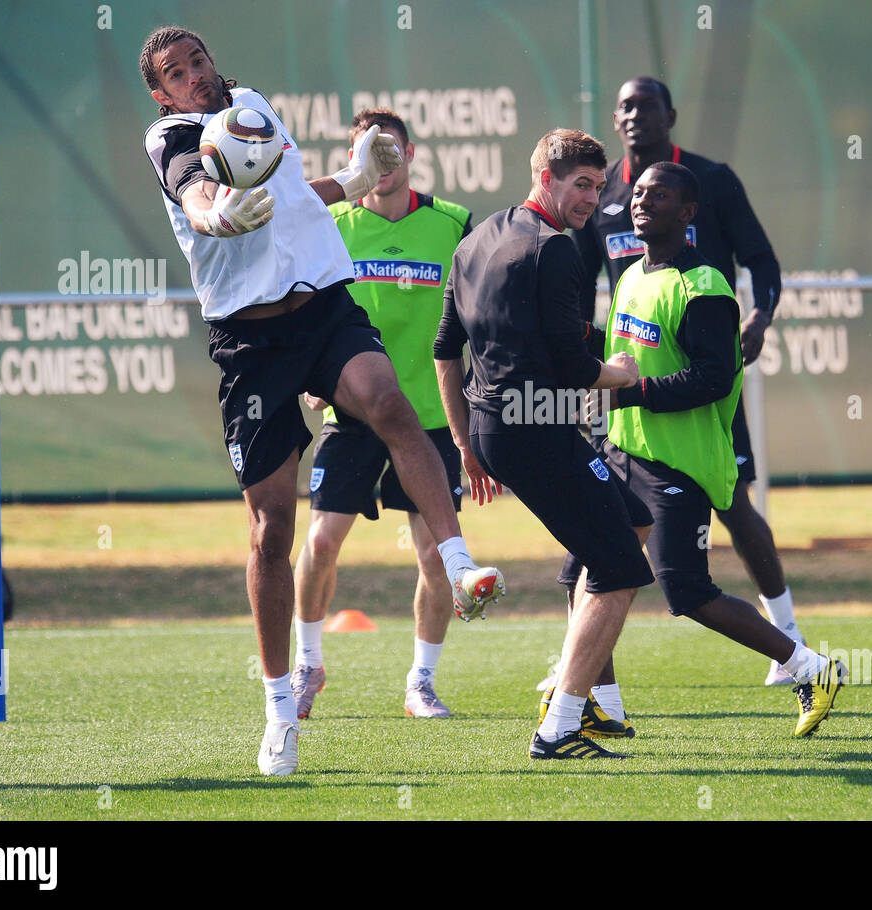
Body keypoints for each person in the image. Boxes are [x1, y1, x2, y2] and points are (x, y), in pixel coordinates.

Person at [139, 26, 503, 776]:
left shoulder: (251, 106)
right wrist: (215, 214)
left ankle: (462, 565)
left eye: (198, 60)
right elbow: (193, 185)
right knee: (274, 532)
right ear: (161, 91)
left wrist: (354, 179)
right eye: (176, 73)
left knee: (391, 403)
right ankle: (279, 712)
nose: (194, 77)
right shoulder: (171, 132)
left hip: (322, 310)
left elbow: (294, 202)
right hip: (249, 341)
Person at [553, 76, 803, 692]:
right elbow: (584, 287)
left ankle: (790, 639)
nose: (636, 116)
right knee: (594, 545)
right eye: (625, 107)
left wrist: (759, 317)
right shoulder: (607, 194)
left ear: (670, 114)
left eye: (648, 106)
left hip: (693, 387)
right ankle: (587, 682)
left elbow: (763, 262)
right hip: (625, 393)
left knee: (734, 509)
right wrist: (582, 359)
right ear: (614, 121)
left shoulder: (708, 181)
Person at [586, 162, 845, 736]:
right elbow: (618, 370)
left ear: (688, 212)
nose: (642, 201)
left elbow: (715, 378)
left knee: (687, 591)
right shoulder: (628, 277)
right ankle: (603, 708)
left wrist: (635, 395)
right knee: (586, 572)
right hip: (622, 453)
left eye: (660, 194)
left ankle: (810, 667)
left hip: (677, 463)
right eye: (638, 193)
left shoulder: (702, 285)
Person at [434, 128, 655, 759]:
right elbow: (576, 369)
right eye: (580, 184)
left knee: (631, 523)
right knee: (618, 571)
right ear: (544, 179)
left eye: (598, 184)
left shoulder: (475, 240)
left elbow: (446, 353)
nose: (591, 197)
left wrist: (465, 444)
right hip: (537, 429)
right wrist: (623, 371)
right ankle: (560, 723)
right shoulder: (555, 249)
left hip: (497, 429)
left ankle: (598, 705)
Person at [292, 108, 474, 722]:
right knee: (319, 542)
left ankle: (420, 682)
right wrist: (314, 378)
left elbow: (481, 317)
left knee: (432, 556)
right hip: (353, 414)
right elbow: (302, 310)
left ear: (411, 154)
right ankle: (309, 663)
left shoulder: (452, 225)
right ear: (353, 160)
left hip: (428, 418)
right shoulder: (332, 222)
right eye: (368, 152)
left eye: (390, 150)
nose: (381, 163)